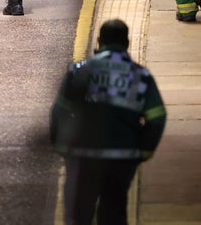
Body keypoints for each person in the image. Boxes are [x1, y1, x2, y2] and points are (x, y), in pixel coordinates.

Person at [50, 19, 166, 225]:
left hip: (83, 154)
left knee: (79, 213)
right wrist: (143, 151)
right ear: (127, 43)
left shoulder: (78, 71)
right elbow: (157, 117)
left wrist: (61, 147)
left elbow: (60, 112)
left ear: (99, 41)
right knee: (114, 212)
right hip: (122, 157)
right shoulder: (140, 76)